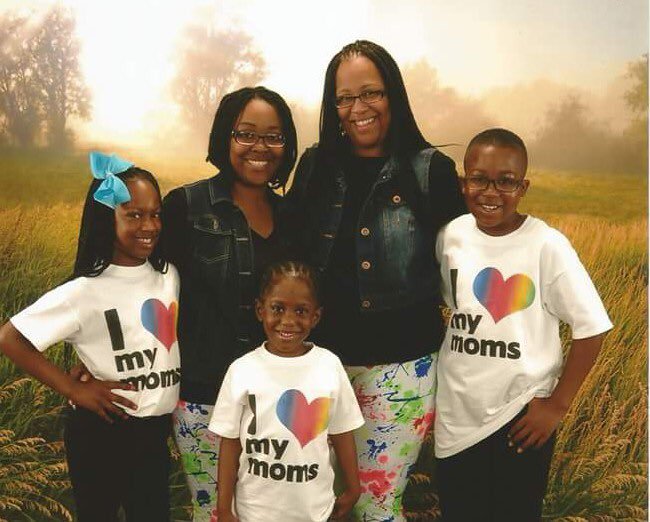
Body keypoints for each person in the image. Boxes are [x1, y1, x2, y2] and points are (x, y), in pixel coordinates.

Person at [283, 40, 466, 520]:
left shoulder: (431, 170)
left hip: (402, 368)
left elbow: (468, 268)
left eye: (371, 93)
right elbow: (288, 253)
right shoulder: (316, 165)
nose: (358, 108)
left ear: (393, 95)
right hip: (319, 365)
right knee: (314, 501)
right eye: (344, 98)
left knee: (375, 506)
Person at [434, 128, 613, 521]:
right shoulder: (451, 236)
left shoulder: (546, 245)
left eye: (506, 181)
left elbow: (592, 327)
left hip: (521, 418)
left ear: (523, 187)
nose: (491, 192)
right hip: (456, 417)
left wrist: (557, 406)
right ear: (463, 184)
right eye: (479, 179)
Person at [0, 152, 180, 521]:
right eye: (134, 215)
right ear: (105, 217)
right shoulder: (83, 291)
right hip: (102, 430)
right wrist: (74, 388)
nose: (149, 225)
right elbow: (10, 338)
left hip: (154, 433)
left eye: (155, 214)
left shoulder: (169, 275)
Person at [162, 86, 298, 521]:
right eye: (246, 134)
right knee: (215, 512)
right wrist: (97, 356)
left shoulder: (294, 216)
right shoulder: (186, 206)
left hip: (277, 399)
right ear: (225, 137)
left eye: (274, 137)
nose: (260, 147)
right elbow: (137, 285)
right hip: (205, 395)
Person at [209, 260, 364, 522]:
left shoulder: (329, 365)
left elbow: (342, 431)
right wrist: (224, 508)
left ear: (316, 316)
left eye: (301, 311)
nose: (288, 321)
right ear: (260, 310)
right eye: (277, 308)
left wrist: (353, 487)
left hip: (315, 511)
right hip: (254, 513)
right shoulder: (242, 369)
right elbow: (230, 442)